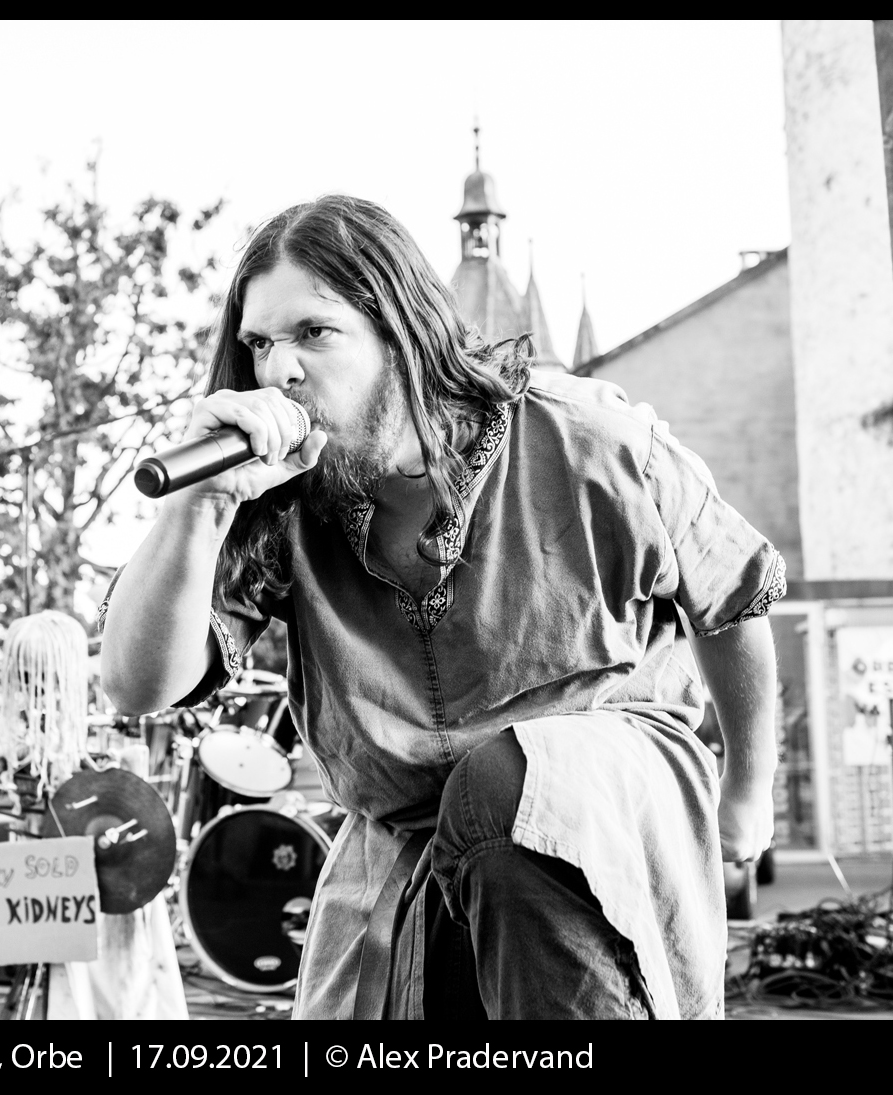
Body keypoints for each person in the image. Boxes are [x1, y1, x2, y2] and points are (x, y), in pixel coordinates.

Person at [99, 195, 784, 1019]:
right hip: (401, 841)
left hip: (599, 799)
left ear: (402, 332)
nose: (279, 370)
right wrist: (200, 507)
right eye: (259, 344)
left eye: (314, 332)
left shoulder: (589, 438)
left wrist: (747, 793)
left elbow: (735, 597)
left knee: (507, 783)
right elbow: (136, 685)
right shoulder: (277, 500)